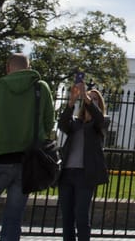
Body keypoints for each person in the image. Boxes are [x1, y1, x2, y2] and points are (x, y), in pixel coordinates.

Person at [0, 53, 53, 241]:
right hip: (27, 161)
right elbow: (49, 122)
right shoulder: (41, 88)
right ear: (29, 68)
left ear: (8, 68)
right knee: (14, 217)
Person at [57, 81, 109, 241]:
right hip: (66, 174)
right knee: (67, 218)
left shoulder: (101, 123)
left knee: (81, 216)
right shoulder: (75, 123)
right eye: (87, 98)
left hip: (85, 176)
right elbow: (62, 124)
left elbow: (99, 118)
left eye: (94, 99)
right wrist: (72, 101)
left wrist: (85, 96)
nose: (89, 100)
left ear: (98, 104)